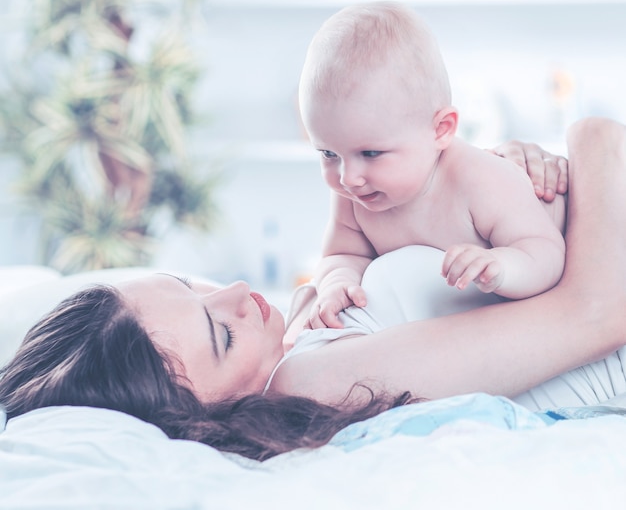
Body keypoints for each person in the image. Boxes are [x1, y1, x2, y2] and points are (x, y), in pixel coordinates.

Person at [1, 117, 626, 462]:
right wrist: (595, 142)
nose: (240, 292)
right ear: (197, 422)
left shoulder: (304, 341)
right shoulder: (306, 384)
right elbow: (597, 313)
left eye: (187, 284)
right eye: (220, 335)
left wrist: (506, 183)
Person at [298, 1, 567, 329]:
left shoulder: (480, 179)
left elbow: (546, 252)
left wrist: (501, 266)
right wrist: (336, 284)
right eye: (328, 154)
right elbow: (343, 255)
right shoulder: (354, 192)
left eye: (370, 154)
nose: (348, 177)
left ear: (441, 130)